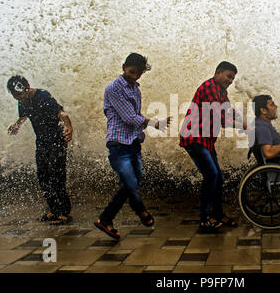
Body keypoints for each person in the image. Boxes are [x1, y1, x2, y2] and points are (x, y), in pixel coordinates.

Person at [94, 53, 172, 240]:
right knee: (130, 183)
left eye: (138, 74)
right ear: (123, 67)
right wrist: (155, 123)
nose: (134, 76)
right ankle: (141, 211)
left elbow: (134, 115)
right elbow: (129, 117)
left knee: (133, 183)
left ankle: (105, 219)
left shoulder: (136, 89)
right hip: (118, 144)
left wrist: (144, 130)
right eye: (131, 72)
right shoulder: (114, 88)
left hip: (133, 142)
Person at [179, 61, 247, 232]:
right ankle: (204, 219)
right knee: (211, 175)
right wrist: (243, 127)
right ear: (218, 73)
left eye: (233, 78)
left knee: (218, 178)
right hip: (194, 137)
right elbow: (220, 118)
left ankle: (217, 214)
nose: (231, 81)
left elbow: (229, 111)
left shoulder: (221, 91)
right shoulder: (209, 87)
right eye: (228, 76)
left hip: (206, 140)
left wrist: (247, 122)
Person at [7, 75, 73, 225]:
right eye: (14, 95)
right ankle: (53, 210)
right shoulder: (23, 100)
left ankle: (64, 212)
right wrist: (17, 125)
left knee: (57, 174)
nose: (18, 98)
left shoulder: (43, 95)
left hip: (57, 140)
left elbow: (61, 113)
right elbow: (24, 116)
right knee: (43, 175)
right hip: (42, 142)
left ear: (27, 88)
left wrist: (69, 128)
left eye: (19, 95)